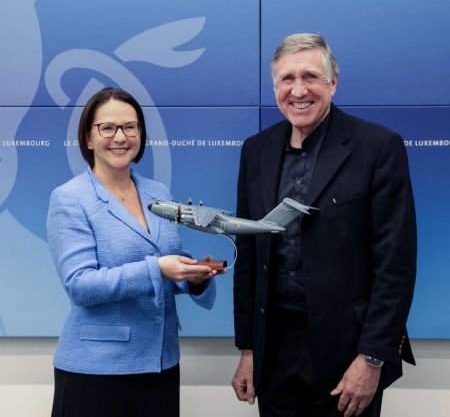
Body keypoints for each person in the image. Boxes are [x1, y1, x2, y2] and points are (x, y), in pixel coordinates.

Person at [231, 34, 416, 417]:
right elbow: (248, 257)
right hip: (275, 353)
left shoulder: (377, 147)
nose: (298, 90)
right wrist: (248, 349)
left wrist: (372, 357)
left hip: (348, 353)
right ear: (275, 87)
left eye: (310, 77)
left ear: (333, 82)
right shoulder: (256, 150)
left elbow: (395, 265)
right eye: (287, 78)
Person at [47, 87, 219, 417]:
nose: (120, 137)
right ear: (88, 138)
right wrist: (158, 269)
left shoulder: (158, 192)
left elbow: (169, 259)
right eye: (107, 128)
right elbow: (80, 286)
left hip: (161, 364)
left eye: (130, 127)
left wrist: (193, 278)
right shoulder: (70, 198)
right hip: (96, 372)